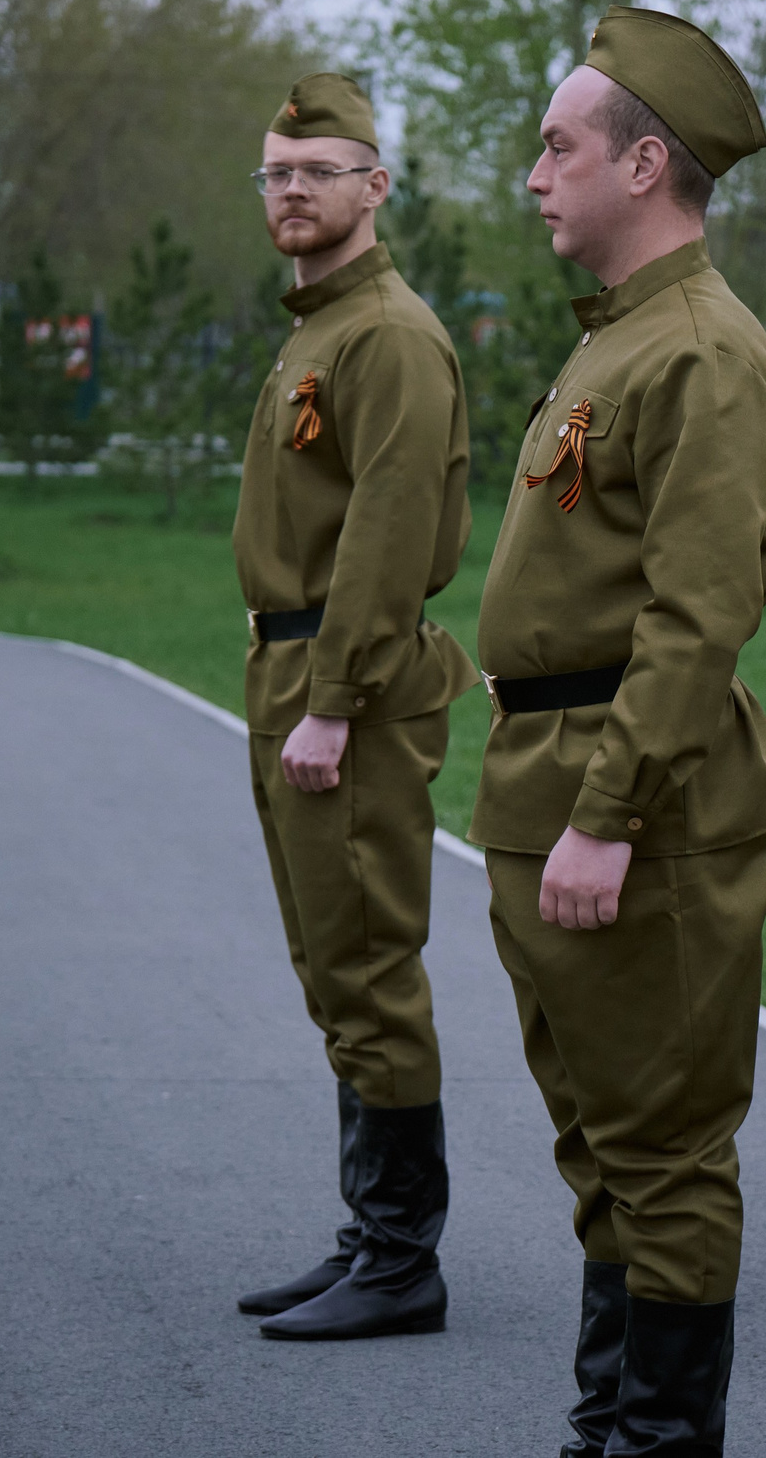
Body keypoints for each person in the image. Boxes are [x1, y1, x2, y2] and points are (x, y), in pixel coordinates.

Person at [472, 5, 766, 1457]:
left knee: (661, 1151)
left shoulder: (704, 351)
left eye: (558, 146)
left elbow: (694, 610)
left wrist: (605, 810)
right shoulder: (621, 340)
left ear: (645, 162)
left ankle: (660, 1440)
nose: (533, 174)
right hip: (550, 775)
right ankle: (609, 1427)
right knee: (601, 1146)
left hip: (632, 796)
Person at [229, 72, 478, 1341]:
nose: (289, 191)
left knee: (371, 967)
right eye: (274, 174)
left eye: (315, 171)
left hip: (349, 685)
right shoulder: (318, 325)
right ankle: (368, 1236)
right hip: (294, 671)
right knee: (333, 965)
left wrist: (331, 700)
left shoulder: (386, 332)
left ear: (373, 187)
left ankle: (401, 1260)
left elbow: (386, 533)